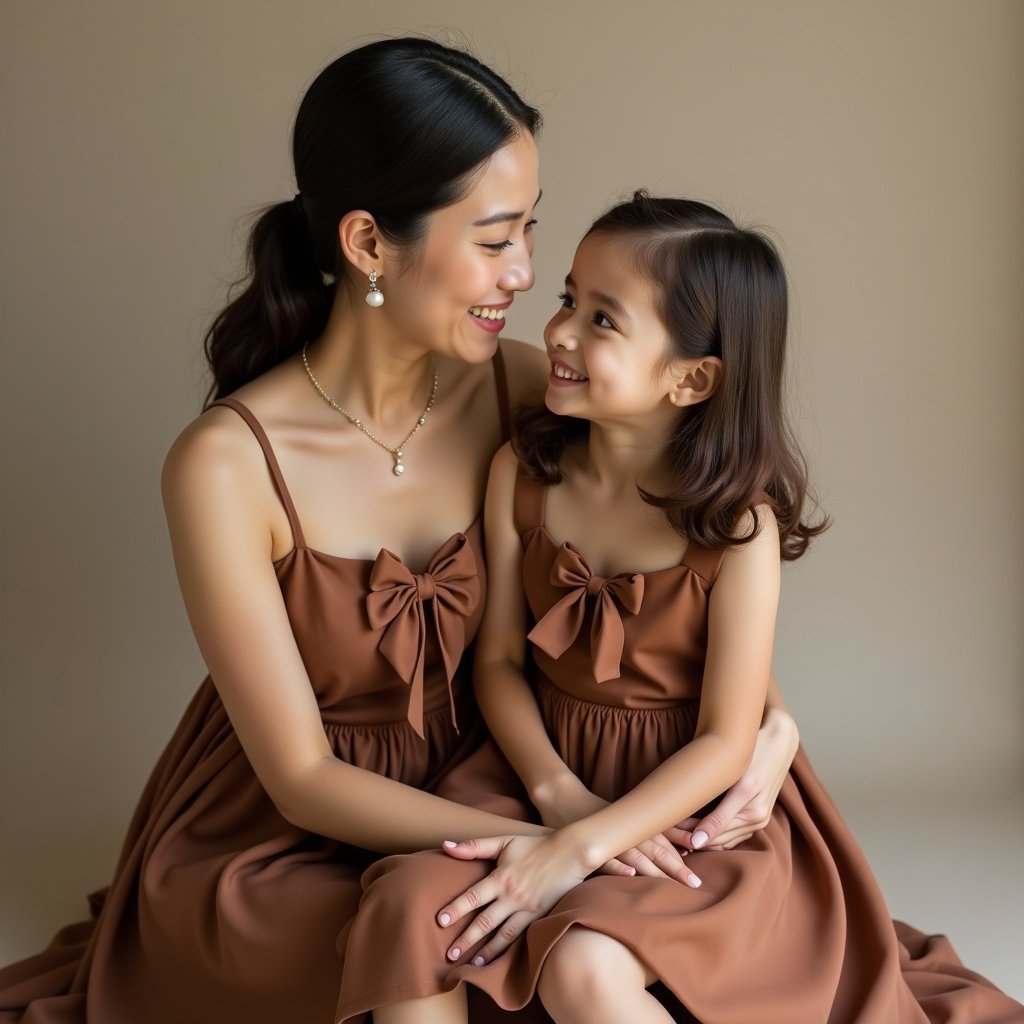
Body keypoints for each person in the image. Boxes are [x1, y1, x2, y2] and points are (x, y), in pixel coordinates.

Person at [0, 41, 802, 1024]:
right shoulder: (224, 463)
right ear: (370, 243)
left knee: (513, 935)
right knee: (423, 932)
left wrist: (770, 729)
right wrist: (541, 839)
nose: (527, 274)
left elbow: (672, 584)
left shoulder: (522, 391)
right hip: (294, 835)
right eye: (496, 238)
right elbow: (299, 779)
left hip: (499, 784)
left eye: (529, 233)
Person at [335, 193, 1024, 1024]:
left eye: (603, 320)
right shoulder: (524, 473)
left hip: (688, 809)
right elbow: (498, 664)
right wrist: (559, 798)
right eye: (566, 300)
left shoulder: (737, 529)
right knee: (419, 910)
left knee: (583, 966)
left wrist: (588, 846)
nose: (558, 332)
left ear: (692, 378)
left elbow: (728, 738)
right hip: (535, 770)